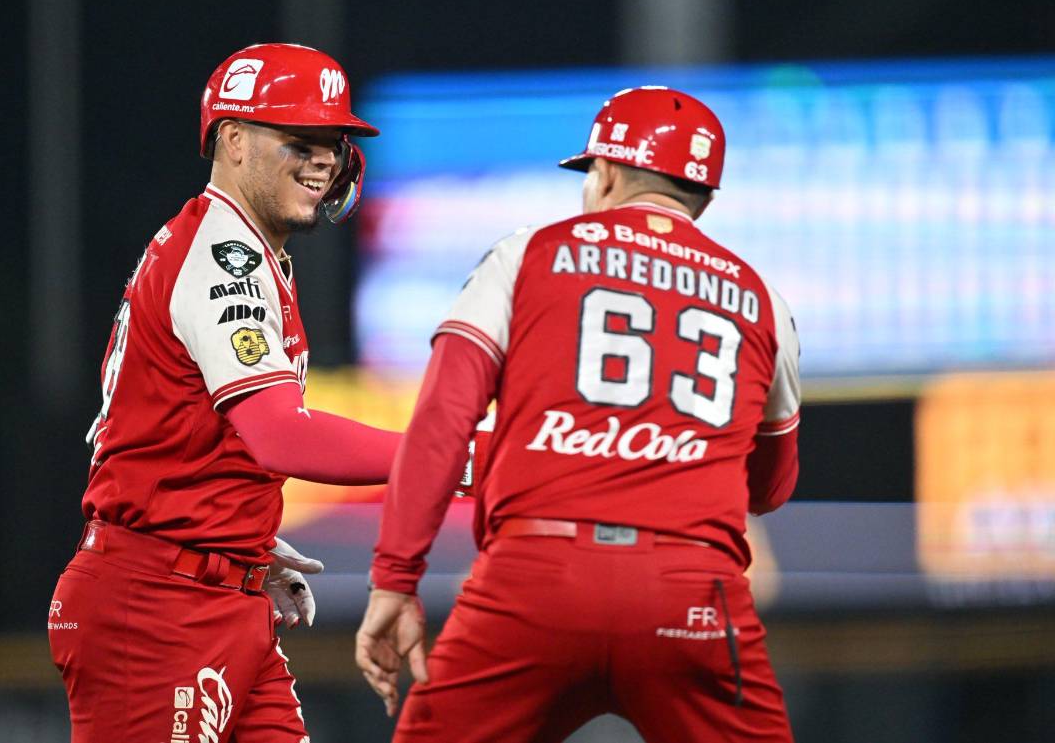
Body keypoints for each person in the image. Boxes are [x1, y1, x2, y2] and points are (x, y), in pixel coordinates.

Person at [356, 86, 801, 742]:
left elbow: (443, 422)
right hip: (690, 595)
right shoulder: (763, 299)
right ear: (703, 197)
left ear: (609, 172)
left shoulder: (527, 253)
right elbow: (770, 487)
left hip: (536, 580)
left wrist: (396, 578)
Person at [49, 43, 404, 743]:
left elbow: (176, 428)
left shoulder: (245, 250)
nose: (324, 161)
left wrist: (237, 544)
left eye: (333, 143)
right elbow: (282, 434)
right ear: (234, 140)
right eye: (301, 139)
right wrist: (447, 451)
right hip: (155, 607)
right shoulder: (222, 257)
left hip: (214, 592)